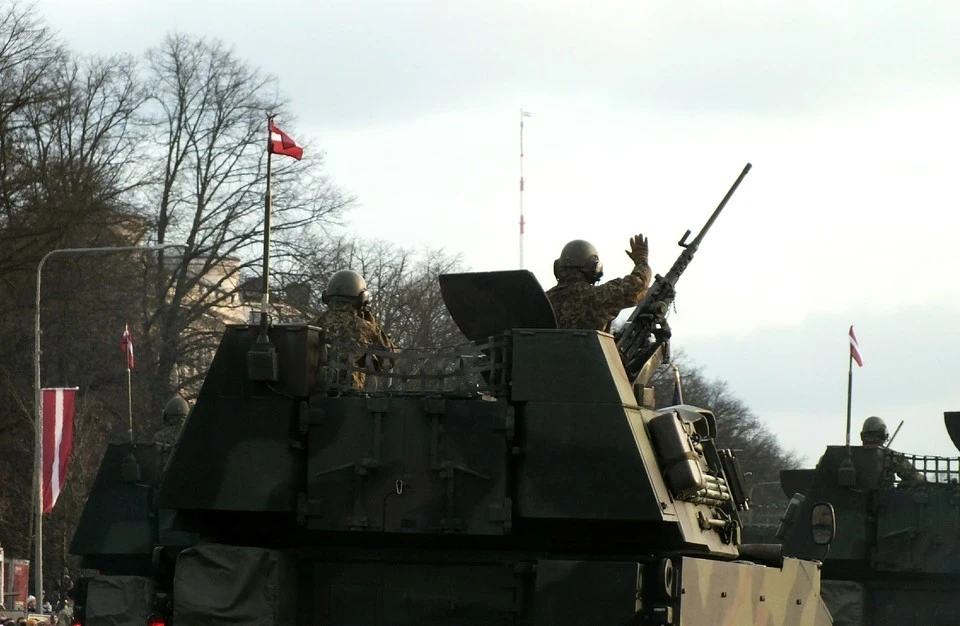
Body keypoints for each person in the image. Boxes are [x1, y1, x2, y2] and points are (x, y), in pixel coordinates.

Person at [311, 270, 400, 389]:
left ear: (326, 296)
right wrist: (374, 325)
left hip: (315, 389)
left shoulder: (313, 324)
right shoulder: (364, 326)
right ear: (362, 299)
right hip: (348, 392)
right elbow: (388, 362)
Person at [545, 235, 652, 332]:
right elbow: (636, 286)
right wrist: (642, 260)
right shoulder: (597, 298)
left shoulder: (544, 300)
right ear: (593, 267)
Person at [860, 416, 925, 485]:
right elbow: (915, 477)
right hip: (883, 491)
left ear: (862, 435)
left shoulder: (853, 454)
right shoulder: (892, 456)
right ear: (883, 434)